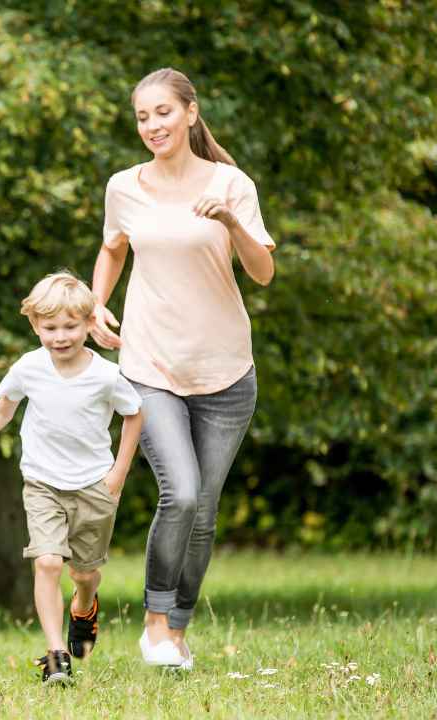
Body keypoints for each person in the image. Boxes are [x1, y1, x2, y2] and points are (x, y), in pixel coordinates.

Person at [91, 67, 276, 670]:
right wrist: (97, 303)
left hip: (226, 370)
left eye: (163, 113)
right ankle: (154, 622)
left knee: (205, 511)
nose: (152, 126)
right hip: (150, 362)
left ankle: (177, 626)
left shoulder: (230, 183)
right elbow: (112, 246)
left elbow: (263, 272)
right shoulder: (125, 186)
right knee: (183, 492)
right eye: (142, 116)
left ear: (191, 113)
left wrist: (228, 220)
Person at [0, 271, 143, 685]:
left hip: (95, 485)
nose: (60, 336)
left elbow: (134, 413)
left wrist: (118, 472)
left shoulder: (105, 374)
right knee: (46, 562)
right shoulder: (29, 367)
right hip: (42, 482)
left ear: (87, 324)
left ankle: (85, 606)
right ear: (35, 326)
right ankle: (56, 653)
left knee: (83, 573)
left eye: (70, 326)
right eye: (50, 328)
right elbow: (0, 413)